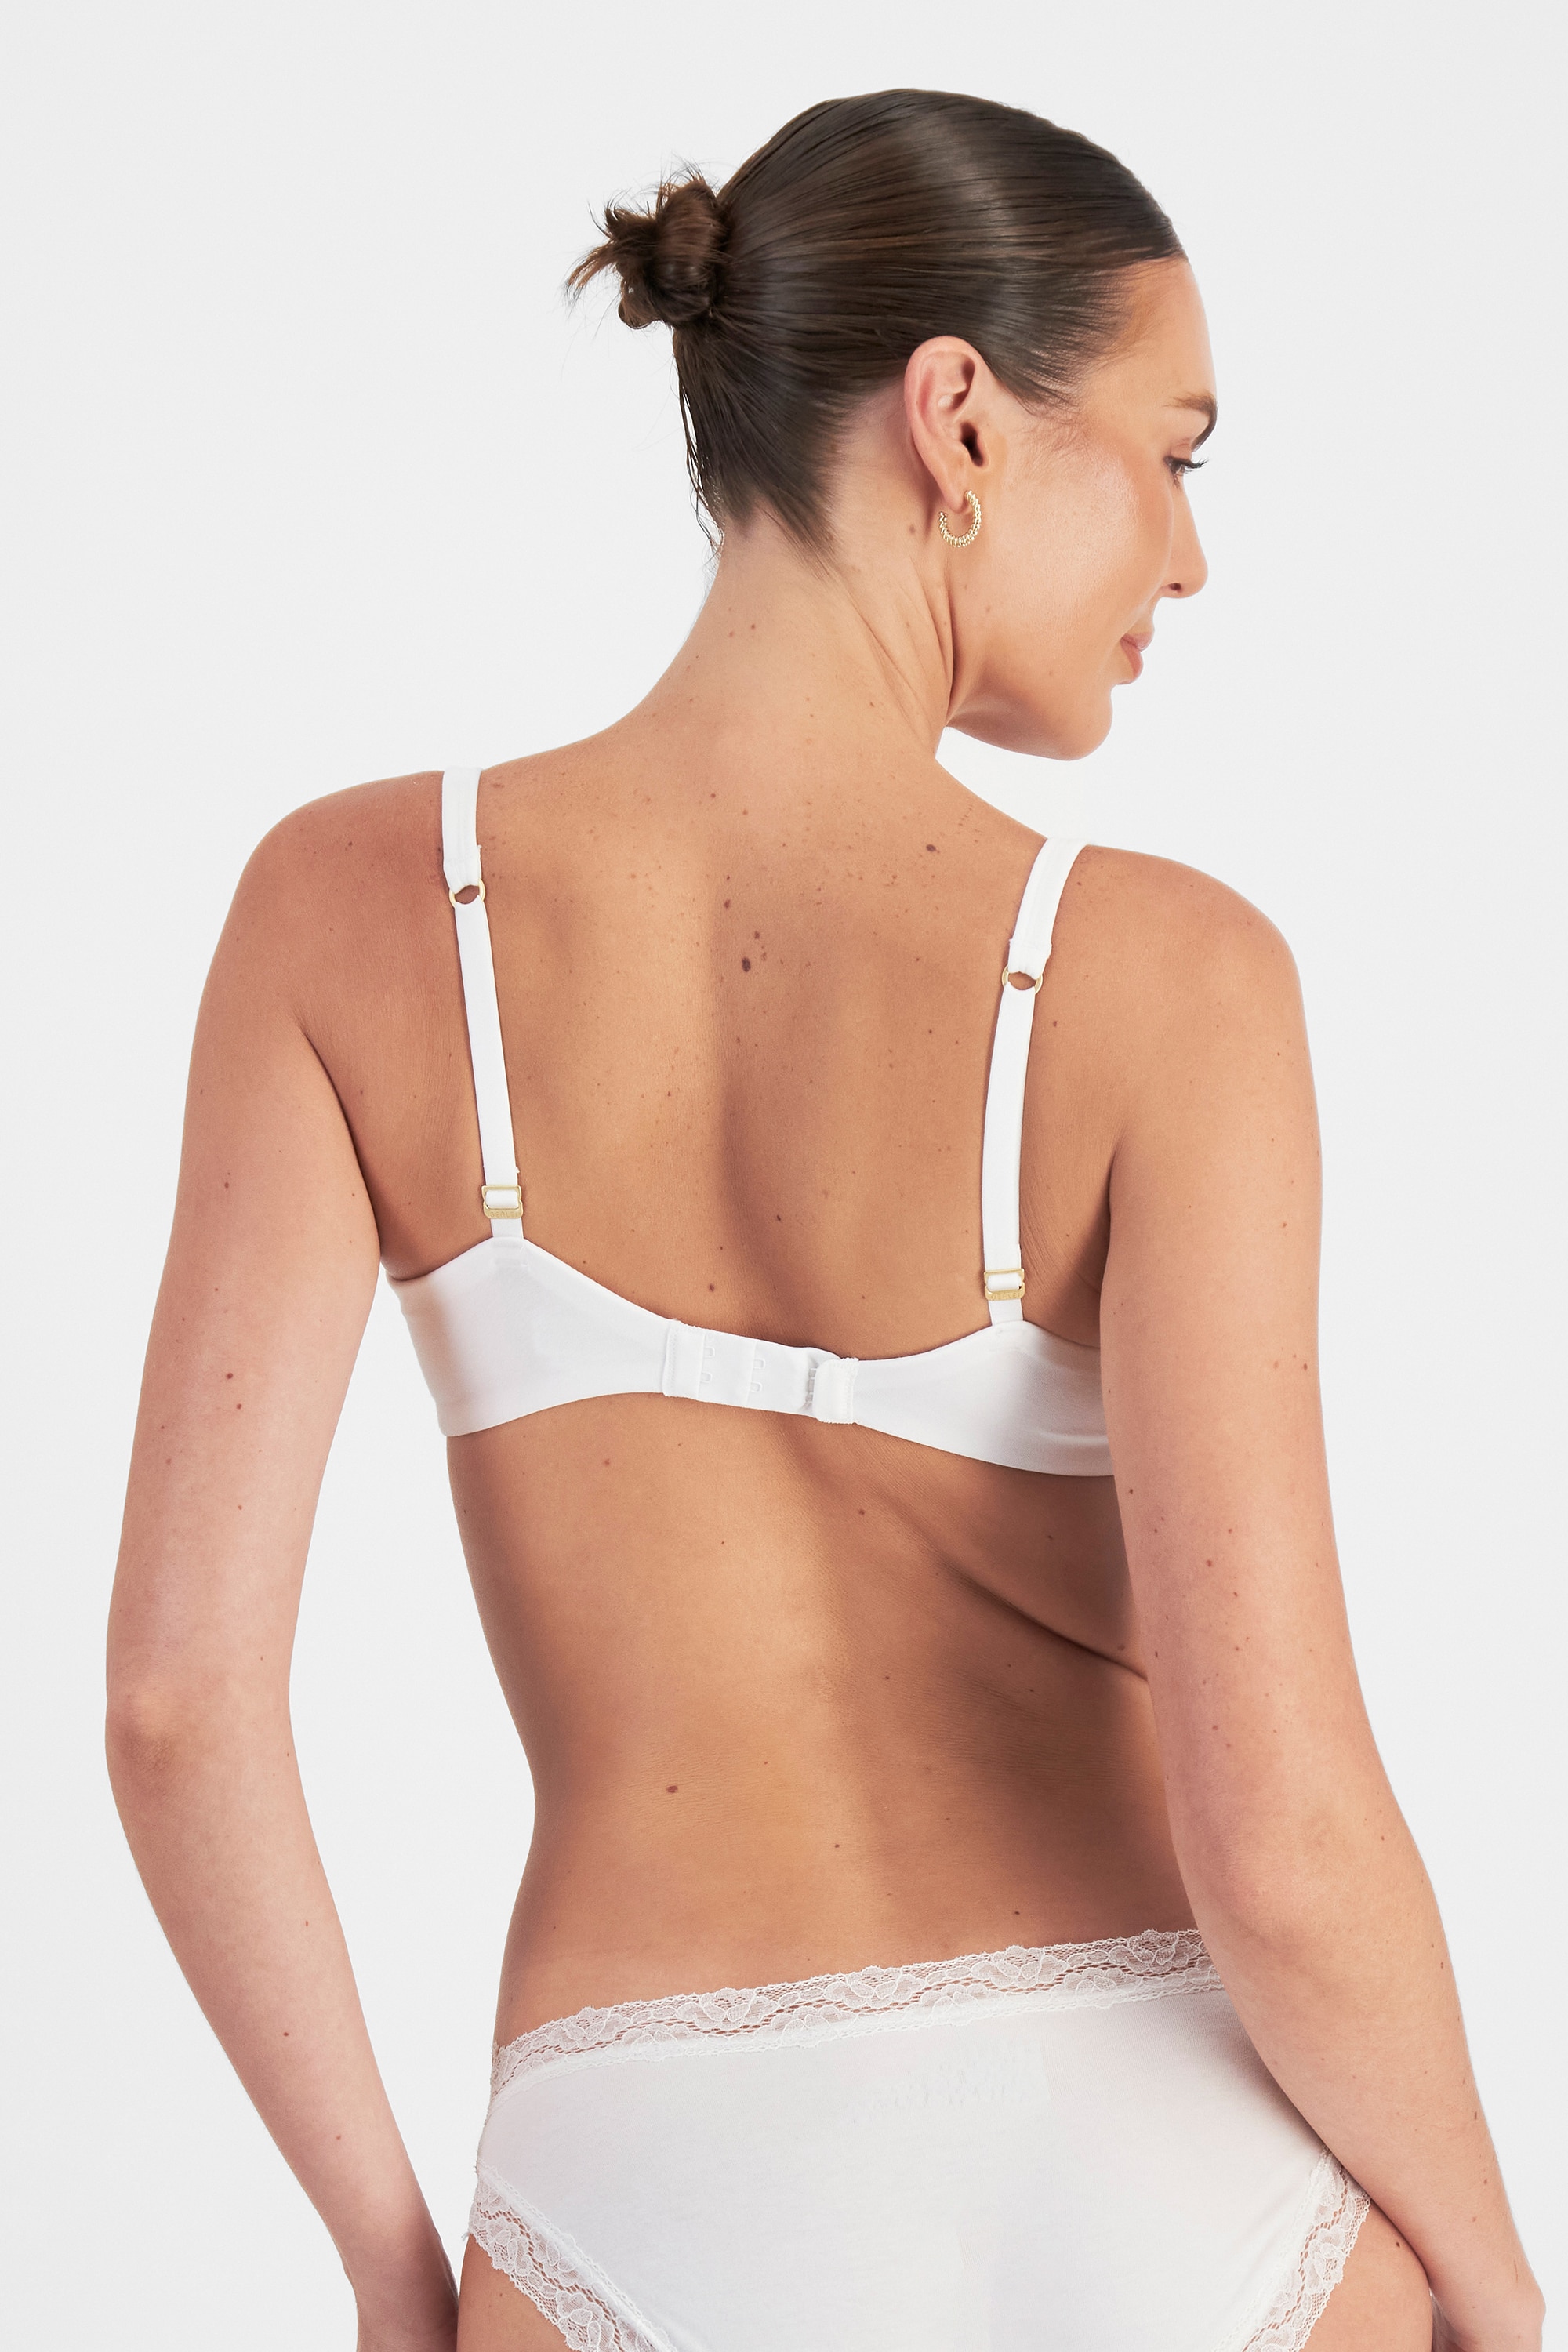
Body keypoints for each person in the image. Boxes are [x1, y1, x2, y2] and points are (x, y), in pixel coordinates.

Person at [106, 88, 1542, 2352]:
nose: (1188, 561)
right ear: (957, 420)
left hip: (635, 2176)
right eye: (1173, 455)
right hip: (1168, 2171)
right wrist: (1497, 2279)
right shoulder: (1168, 978)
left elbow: (178, 1703)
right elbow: (1281, 1834)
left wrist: (400, 2279)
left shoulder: (350, 910)